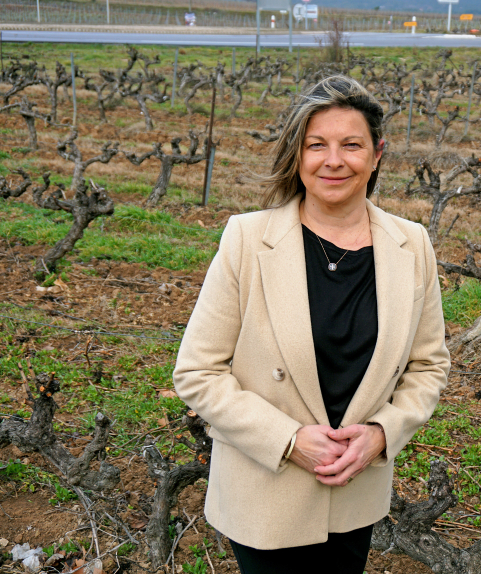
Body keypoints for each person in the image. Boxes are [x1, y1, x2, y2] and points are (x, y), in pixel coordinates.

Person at [172, 75, 450, 574]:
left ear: (377, 154)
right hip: (266, 491)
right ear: (297, 154)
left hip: (355, 493)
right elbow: (197, 372)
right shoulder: (247, 239)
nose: (333, 160)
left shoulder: (411, 245)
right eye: (316, 144)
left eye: (352, 145)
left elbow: (428, 367)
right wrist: (287, 441)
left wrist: (382, 434)